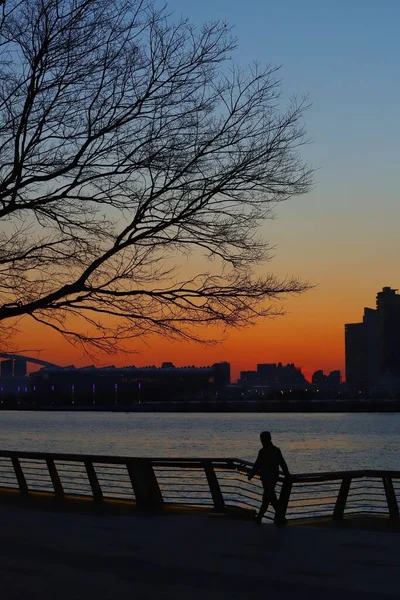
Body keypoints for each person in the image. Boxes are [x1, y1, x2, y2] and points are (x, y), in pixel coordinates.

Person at [247, 431, 290, 525]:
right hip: (271, 478)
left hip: (268, 479)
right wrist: (287, 475)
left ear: (265, 439)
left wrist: (251, 474)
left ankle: (260, 518)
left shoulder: (264, 451)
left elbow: (257, 465)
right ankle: (281, 518)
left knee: (266, 499)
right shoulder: (274, 450)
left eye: (262, 439)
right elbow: (283, 464)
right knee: (271, 498)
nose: (261, 441)